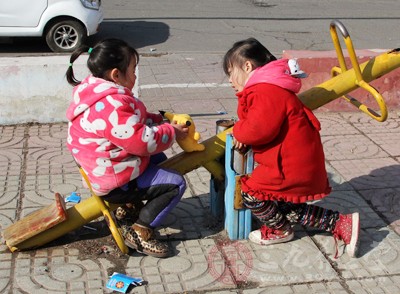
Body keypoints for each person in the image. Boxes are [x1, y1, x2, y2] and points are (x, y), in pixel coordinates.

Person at [223, 38, 360, 258]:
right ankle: (340, 222)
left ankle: (280, 230)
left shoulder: (265, 90)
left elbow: (259, 128)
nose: (230, 80)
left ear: (247, 66)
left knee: (252, 195)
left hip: (287, 163)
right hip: (293, 159)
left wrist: (240, 132)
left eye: (231, 72)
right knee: (280, 202)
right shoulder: (271, 86)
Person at [65, 38, 188, 258]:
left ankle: (130, 206)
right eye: (133, 70)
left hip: (101, 167)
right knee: (175, 184)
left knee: (158, 157)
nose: (134, 76)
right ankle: (141, 230)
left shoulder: (94, 92)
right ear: (115, 75)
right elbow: (141, 141)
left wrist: (157, 119)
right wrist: (171, 132)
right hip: (114, 182)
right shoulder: (112, 104)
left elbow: (131, 121)